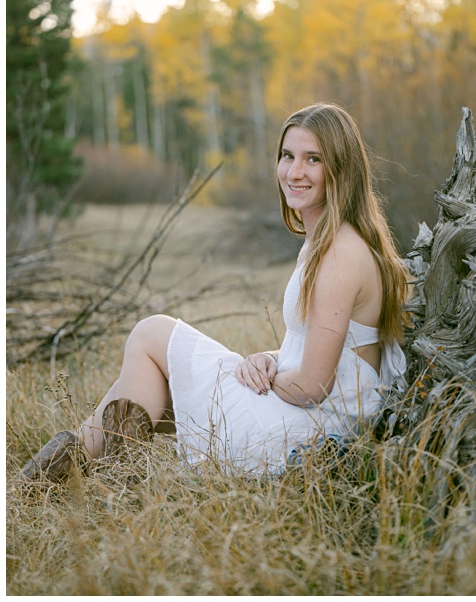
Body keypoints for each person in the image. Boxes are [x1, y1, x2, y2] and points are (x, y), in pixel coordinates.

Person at [18, 102, 409, 480]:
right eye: (287, 156)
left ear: (342, 169)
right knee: (150, 387)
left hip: (305, 434)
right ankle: (70, 477)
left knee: (151, 333)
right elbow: (331, 348)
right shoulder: (331, 241)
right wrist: (267, 357)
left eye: (313, 159)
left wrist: (268, 379)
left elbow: (313, 386)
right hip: (305, 417)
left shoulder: (340, 255)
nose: (294, 171)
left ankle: (81, 477)